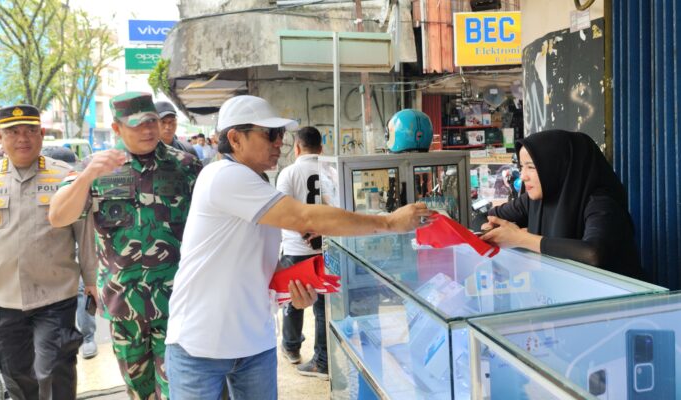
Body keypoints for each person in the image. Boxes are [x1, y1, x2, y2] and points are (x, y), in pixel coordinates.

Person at [164, 95, 434, 399]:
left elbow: (259, 262)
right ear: (235, 139)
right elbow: (304, 216)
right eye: (269, 134)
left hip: (254, 344)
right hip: (201, 347)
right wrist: (389, 223)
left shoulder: (260, 184)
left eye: (281, 134)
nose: (279, 142)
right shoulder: (223, 175)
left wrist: (290, 289)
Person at [48, 92, 202, 399]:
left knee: (177, 390)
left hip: (177, 302)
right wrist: (88, 176)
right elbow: (58, 216)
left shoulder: (186, 166)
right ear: (117, 129)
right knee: (139, 391)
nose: (148, 130)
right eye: (137, 125)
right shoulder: (95, 167)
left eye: (152, 122)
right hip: (124, 306)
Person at [0, 104, 97, 400]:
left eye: (31, 130)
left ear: (42, 134)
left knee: (55, 370)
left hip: (55, 296)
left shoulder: (65, 177)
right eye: (13, 132)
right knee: (15, 376)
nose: (23, 138)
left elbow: (85, 235)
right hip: (2, 298)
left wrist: (94, 283)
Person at [481, 129, 646, 280]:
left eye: (531, 167)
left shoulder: (601, 202)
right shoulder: (534, 199)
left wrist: (521, 238)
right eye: (521, 167)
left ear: (557, 167)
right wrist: (494, 231)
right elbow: (483, 217)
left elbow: (593, 254)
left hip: (618, 304)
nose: (523, 176)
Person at [275, 126, 329, 380]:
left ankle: (292, 348)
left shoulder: (288, 172)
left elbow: (283, 212)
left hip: (296, 250)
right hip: (325, 248)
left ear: (297, 147)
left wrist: (303, 232)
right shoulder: (330, 168)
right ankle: (322, 359)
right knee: (322, 306)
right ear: (320, 147)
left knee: (292, 301)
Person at [40, 146, 99, 359]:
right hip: (52, 258)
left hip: (76, 250)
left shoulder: (79, 184)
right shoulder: (43, 185)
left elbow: (87, 235)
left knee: (85, 291)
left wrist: (90, 273)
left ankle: (88, 338)